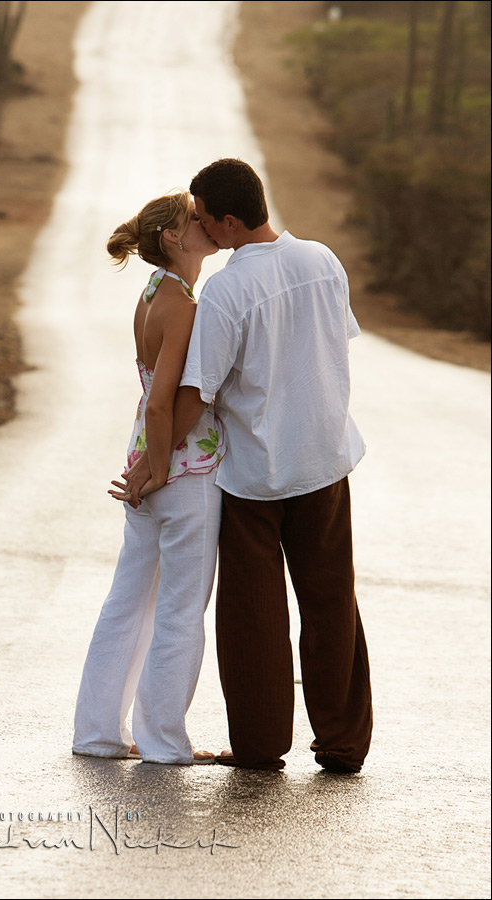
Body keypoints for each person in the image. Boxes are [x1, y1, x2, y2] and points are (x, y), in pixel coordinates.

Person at [125, 159, 373, 773]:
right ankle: (343, 742)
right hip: (326, 462)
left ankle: (261, 747)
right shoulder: (323, 260)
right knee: (330, 601)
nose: (204, 230)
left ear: (231, 221)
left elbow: (195, 392)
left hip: (256, 477)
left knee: (253, 616)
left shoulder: (227, 292)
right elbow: (332, 344)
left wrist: (151, 466)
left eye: (207, 219)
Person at [72, 191, 225, 765]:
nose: (206, 225)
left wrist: (144, 469)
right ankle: (163, 743)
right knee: (181, 610)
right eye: (195, 220)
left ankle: (96, 733)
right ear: (171, 237)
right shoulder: (183, 302)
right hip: (179, 470)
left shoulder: (152, 295)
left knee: (128, 602)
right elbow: (163, 404)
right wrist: (157, 471)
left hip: (146, 463)